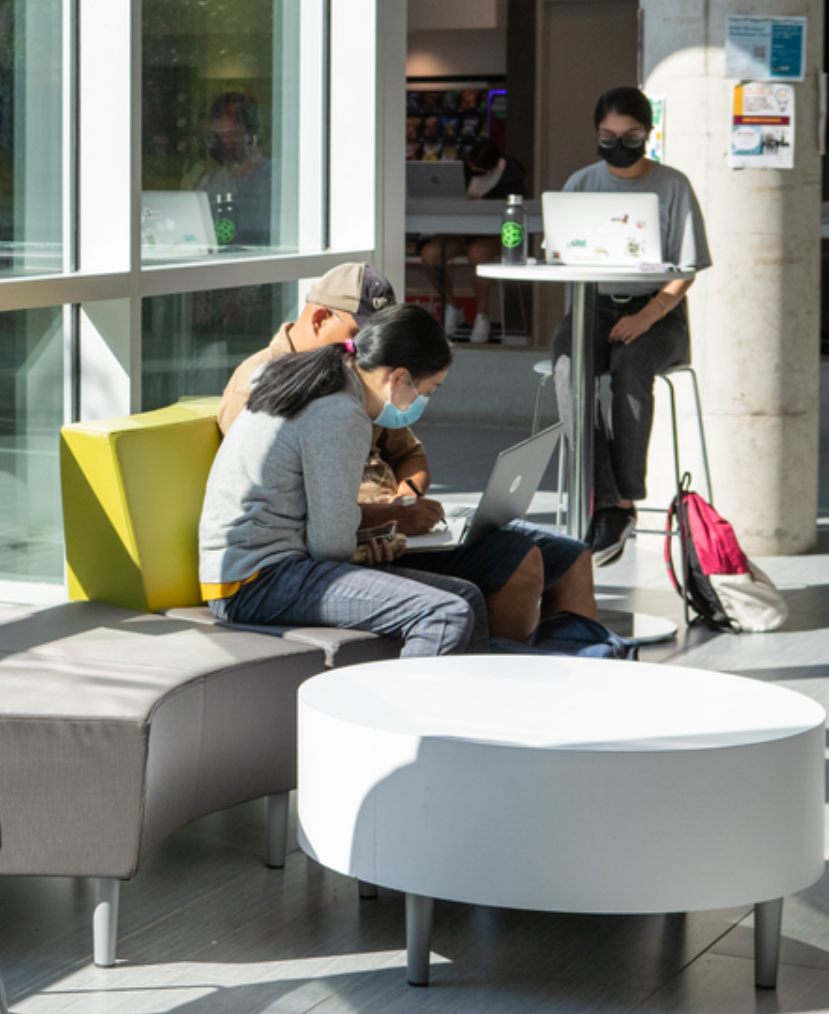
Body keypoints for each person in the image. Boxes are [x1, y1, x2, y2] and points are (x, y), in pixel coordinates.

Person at [219, 264, 596, 644]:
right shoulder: (323, 400)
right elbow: (313, 530)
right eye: (361, 335)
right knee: (455, 606)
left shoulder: (354, 389)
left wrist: (403, 505)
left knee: (564, 555)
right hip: (284, 563)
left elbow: (408, 457)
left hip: (355, 535)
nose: (369, 346)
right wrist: (386, 524)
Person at [201, 304, 486, 657]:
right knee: (445, 614)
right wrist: (369, 544)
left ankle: (461, 709)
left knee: (467, 598)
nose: (423, 401)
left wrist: (366, 541)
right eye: (427, 390)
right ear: (397, 378)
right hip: (254, 581)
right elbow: (330, 547)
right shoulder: (341, 414)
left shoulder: (314, 376)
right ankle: (399, 713)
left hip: (249, 568)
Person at [552, 85, 710, 566]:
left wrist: (647, 315)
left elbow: (686, 270)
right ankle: (605, 499)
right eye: (607, 135)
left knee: (630, 366)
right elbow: (565, 256)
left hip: (658, 311)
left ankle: (624, 504)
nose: (618, 143)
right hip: (593, 308)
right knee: (566, 369)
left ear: (648, 133)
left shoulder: (673, 185)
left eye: (631, 135)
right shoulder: (581, 182)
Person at [419, 139, 529, 343]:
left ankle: (482, 316)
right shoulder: (458, 169)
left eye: (478, 172)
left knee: (478, 254)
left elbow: (517, 210)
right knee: (430, 254)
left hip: (493, 235)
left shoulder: (512, 176)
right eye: (471, 170)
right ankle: (451, 306)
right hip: (460, 232)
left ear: (494, 166)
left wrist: (485, 204)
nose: (473, 174)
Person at [187, 91, 274, 249]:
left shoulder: (277, 178)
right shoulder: (210, 181)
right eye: (215, 138)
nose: (222, 145)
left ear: (251, 134)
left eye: (229, 136)